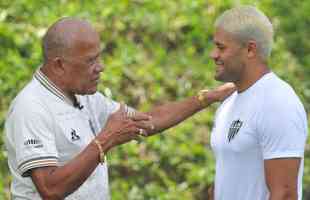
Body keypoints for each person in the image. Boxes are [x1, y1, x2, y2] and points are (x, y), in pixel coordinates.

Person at [4, 18, 234, 200]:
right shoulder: (32, 108)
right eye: (90, 61)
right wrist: (105, 140)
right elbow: (50, 190)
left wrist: (206, 98)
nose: (100, 68)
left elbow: (147, 121)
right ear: (59, 65)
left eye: (99, 58)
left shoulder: (85, 96)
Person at [209, 5, 308, 200]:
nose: (213, 55)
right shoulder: (229, 104)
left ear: (250, 49)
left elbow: (285, 194)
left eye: (221, 47)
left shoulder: (277, 102)